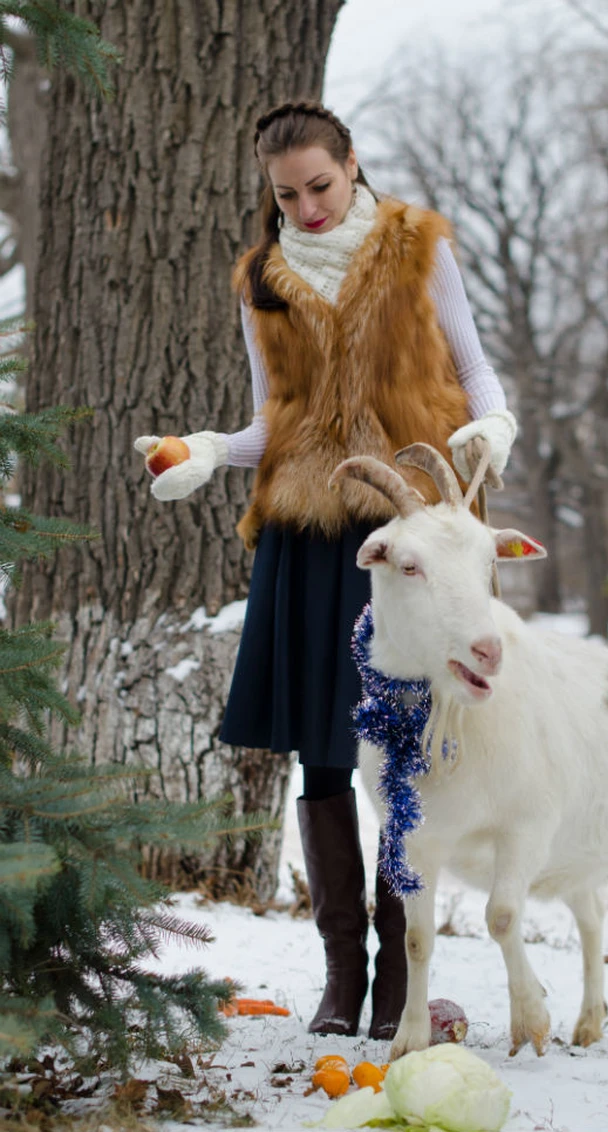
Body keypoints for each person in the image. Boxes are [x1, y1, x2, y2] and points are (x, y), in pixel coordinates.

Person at [134, 100, 517, 1041]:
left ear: (352, 166)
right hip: (311, 536)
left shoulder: (419, 248)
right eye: (285, 193)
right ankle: (344, 978)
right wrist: (207, 449)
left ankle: (403, 977)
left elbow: (473, 368)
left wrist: (493, 427)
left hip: (412, 538)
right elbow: (277, 424)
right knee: (326, 751)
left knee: (403, 756)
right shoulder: (262, 284)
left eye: (320, 185)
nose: (305, 207)